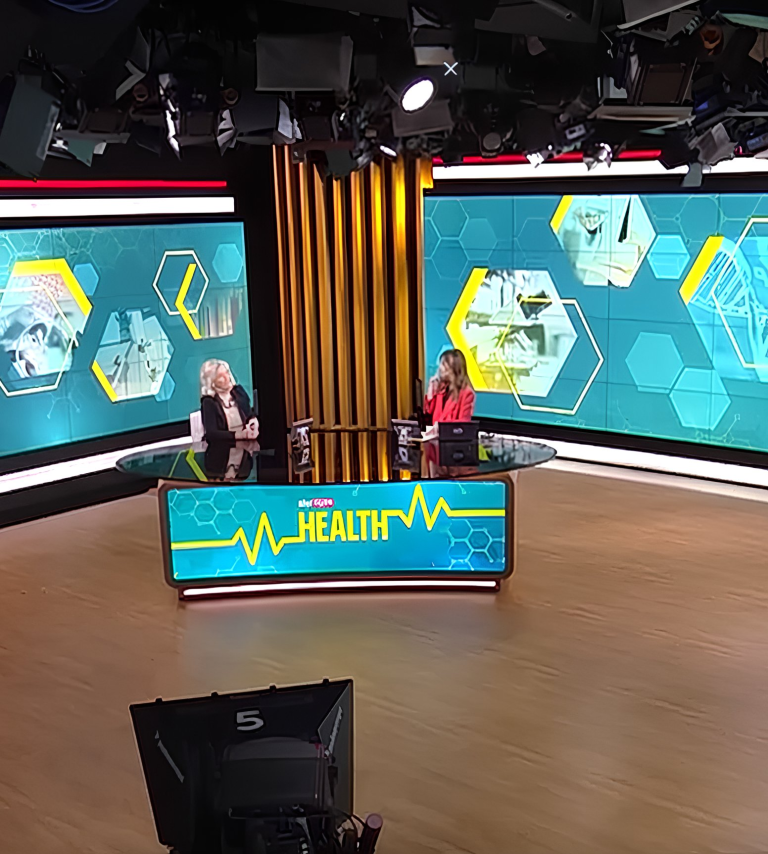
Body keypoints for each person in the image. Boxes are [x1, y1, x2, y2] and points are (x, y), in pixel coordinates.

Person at [199, 359, 259, 442]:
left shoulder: (238, 392)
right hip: (225, 446)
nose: (228, 377)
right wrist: (239, 435)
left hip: (248, 444)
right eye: (221, 376)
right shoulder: (209, 402)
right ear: (212, 382)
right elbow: (212, 434)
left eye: (227, 372)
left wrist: (253, 422)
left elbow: (249, 415)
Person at [424, 348, 475, 424]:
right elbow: (428, 417)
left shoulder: (466, 393)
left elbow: (464, 423)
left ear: (453, 369)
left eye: (443, 364)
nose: (439, 368)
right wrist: (430, 392)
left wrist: (441, 427)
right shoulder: (441, 391)